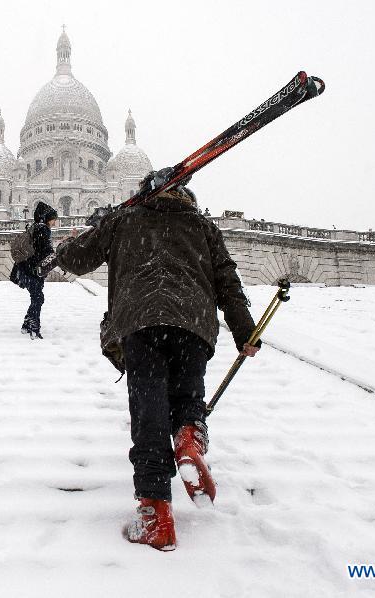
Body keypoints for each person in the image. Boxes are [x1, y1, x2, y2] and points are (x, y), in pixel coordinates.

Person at [56, 176, 260, 551]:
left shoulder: (125, 218)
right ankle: (188, 438)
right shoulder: (202, 226)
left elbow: (77, 259)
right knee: (187, 396)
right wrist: (244, 332)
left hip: (142, 322)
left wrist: (66, 244)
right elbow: (229, 282)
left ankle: (156, 515)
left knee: (149, 414)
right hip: (193, 324)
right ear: (187, 196)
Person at [10, 201, 59, 339]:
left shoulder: (35, 227)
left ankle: (27, 324)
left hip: (26, 269)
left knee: (36, 297)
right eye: (53, 219)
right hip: (31, 270)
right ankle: (33, 327)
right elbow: (45, 251)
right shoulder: (42, 229)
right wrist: (59, 253)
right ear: (47, 218)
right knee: (38, 298)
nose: (54, 223)